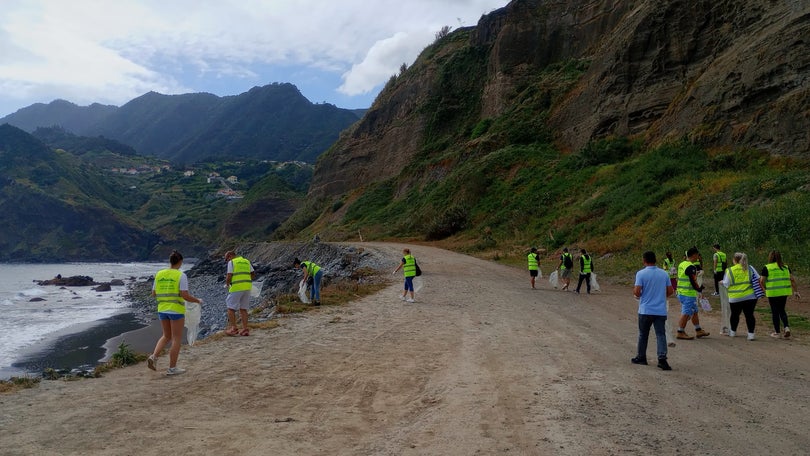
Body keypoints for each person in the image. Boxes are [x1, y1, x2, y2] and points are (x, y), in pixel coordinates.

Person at [147, 250, 202, 376]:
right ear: (180, 262)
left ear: (170, 261)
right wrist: (197, 301)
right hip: (176, 309)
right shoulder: (181, 275)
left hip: (162, 309)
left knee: (166, 336)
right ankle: (172, 368)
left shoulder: (159, 274)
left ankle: (154, 357)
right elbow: (185, 295)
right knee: (176, 338)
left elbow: (153, 293)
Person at [631, 251, 674, 370]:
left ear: (644, 260)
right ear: (655, 260)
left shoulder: (641, 274)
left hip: (645, 309)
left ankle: (641, 357)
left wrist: (639, 294)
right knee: (661, 334)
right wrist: (660, 296)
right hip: (660, 310)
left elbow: (637, 291)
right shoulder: (664, 274)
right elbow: (670, 291)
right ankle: (662, 358)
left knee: (643, 334)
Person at [760, 250, 801, 338]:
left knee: (775, 312)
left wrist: (765, 289)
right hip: (784, 292)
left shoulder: (767, 267)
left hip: (773, 293)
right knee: (782, 310)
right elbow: (792, 280)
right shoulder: (786, 267)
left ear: (770, 257)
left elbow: (762, 281)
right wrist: (796, 291)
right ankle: (786, 327)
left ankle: (777, 332)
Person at [722, 252, 758, 340]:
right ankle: (751, 334)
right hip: (750, 296)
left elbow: (726, 284)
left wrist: (721, 282)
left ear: (734, 260)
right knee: (749, 315)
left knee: (735, 315)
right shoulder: (750, 268)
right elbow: (758, 278)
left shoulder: (730, 270)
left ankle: (733, 332)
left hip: (735, 297)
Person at [676, 247, 710, 340]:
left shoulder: (682, 264)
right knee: (686, 312)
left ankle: (698, 330)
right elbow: (693, 281)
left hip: (682, 292)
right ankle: (680, 331)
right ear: (694, 255)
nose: (698, 257)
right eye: (697, 255)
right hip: (688, 294)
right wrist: (699, 290)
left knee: (694, 311)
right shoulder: (691, 267)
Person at [224, 251, 256, 336]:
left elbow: (229, 276)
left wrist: (227, 284)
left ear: (230, 256)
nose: (226, 261)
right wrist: (247, 280)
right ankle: (245, 329)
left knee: (230, 308)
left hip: (236, 287)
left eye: (226, 259)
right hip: (247, 287)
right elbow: (253, 273)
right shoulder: (246, 261)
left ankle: (233, 328)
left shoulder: (232, 262)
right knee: (243, 309)